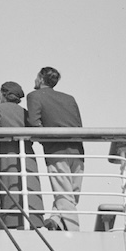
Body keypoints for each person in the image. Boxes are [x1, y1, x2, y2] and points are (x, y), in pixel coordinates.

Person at [27, 66, 85, 231]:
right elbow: (78, 124)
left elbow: (33, 122)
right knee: (71, 195)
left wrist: (41, 138)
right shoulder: (69, 98)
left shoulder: (34, 96)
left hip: (56, 150)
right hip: (78, 151)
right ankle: (56, 220)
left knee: (65, 196)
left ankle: (74, 232)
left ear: (40, 78)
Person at [0, 81, 44, 229]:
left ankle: (12, 221)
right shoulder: (24, 112)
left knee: (10, 186)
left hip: (8, 153)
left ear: (4, 94)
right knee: (29, 186)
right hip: (27, 153)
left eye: (0, 93)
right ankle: (34, 220)